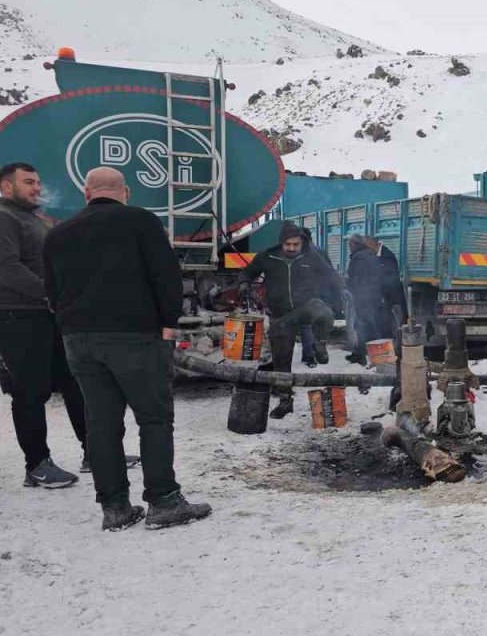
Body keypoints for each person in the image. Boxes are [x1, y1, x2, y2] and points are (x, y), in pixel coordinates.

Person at [44, 167, 212, 531]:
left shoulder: (57, 234)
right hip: (134, 336)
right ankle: (164, 501)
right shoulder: (141, 221)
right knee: (153, 417)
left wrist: (71, 327)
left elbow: (52, 291)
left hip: (78, 340)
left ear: (86, 193)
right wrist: (169, 324)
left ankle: (115, 508)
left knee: (101, 423)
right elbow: (166, 276)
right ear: (127, 193)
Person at [0, 161, 92, 490]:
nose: (37, 187)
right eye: (28, 182)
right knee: (30, 391)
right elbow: (6, 268)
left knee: (74, 382)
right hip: (18, 316)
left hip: (47, 314)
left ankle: (93, 452)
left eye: (38, 182)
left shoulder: (32, 219)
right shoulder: (4, 217)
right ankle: (36, 465)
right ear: (6, 187)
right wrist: (50, 294)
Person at [238, 221, 343, 418]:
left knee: (324, 312)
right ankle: (285, 401)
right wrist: (244, 283)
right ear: (281, 243)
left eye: (296, 244)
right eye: (289, 245)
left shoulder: (312, 256)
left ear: (302, 243)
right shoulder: (267, 256)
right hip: (281, 315)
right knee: (281, 361)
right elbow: (247, 272)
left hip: (306, 307)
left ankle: (320, 343)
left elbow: (331, 275)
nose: (292, 248)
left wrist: (341, 291)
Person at [344, 234, 389, 365]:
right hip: (373, 296)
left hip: (363, 297)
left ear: (355, 245)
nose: (349, 247)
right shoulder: (371, 255)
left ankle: (381, 358)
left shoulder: (358, 258)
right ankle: (359, 354)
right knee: (363, 325)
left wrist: (351, 290)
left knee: (368, 326)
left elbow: (357, 279)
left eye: (350, 245)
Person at [299, 226, 332, 368]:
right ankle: (320, 347)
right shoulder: (321, 251)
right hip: (322, 294)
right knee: (319, 324)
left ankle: (309, 355)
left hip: (306, 295)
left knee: (306, 325)